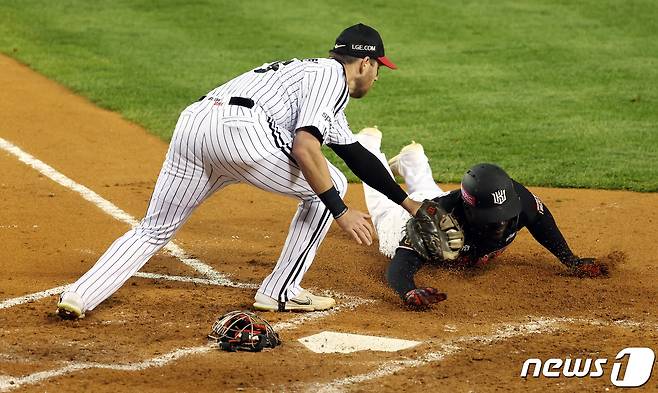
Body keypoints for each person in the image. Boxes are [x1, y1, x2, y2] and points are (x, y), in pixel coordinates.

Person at [56, 23, 424, 319]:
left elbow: (357, 154)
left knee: (154, 228)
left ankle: (79, 295)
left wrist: (410, 204)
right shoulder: (332, 77)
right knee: (331, 186)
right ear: (364, 63)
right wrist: (340, 212)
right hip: (242, 134)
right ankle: (280, 292)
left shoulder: (311, 79)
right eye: (378, 68)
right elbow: (305, 148)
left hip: (195, 127)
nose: (376, 77)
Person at [355, 127, 608, 308]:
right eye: (491, 217)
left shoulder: (516, 198)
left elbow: (542, 222)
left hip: (438, 200)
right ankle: (366, 144)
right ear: (469, 209)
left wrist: (570, 259)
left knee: (430, 193)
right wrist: (408, 290)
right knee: (383, 208)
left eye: (503, 215)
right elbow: (397, 270)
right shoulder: (433, 224)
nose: (500, 222)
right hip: (405, 219)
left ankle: (412, 160)